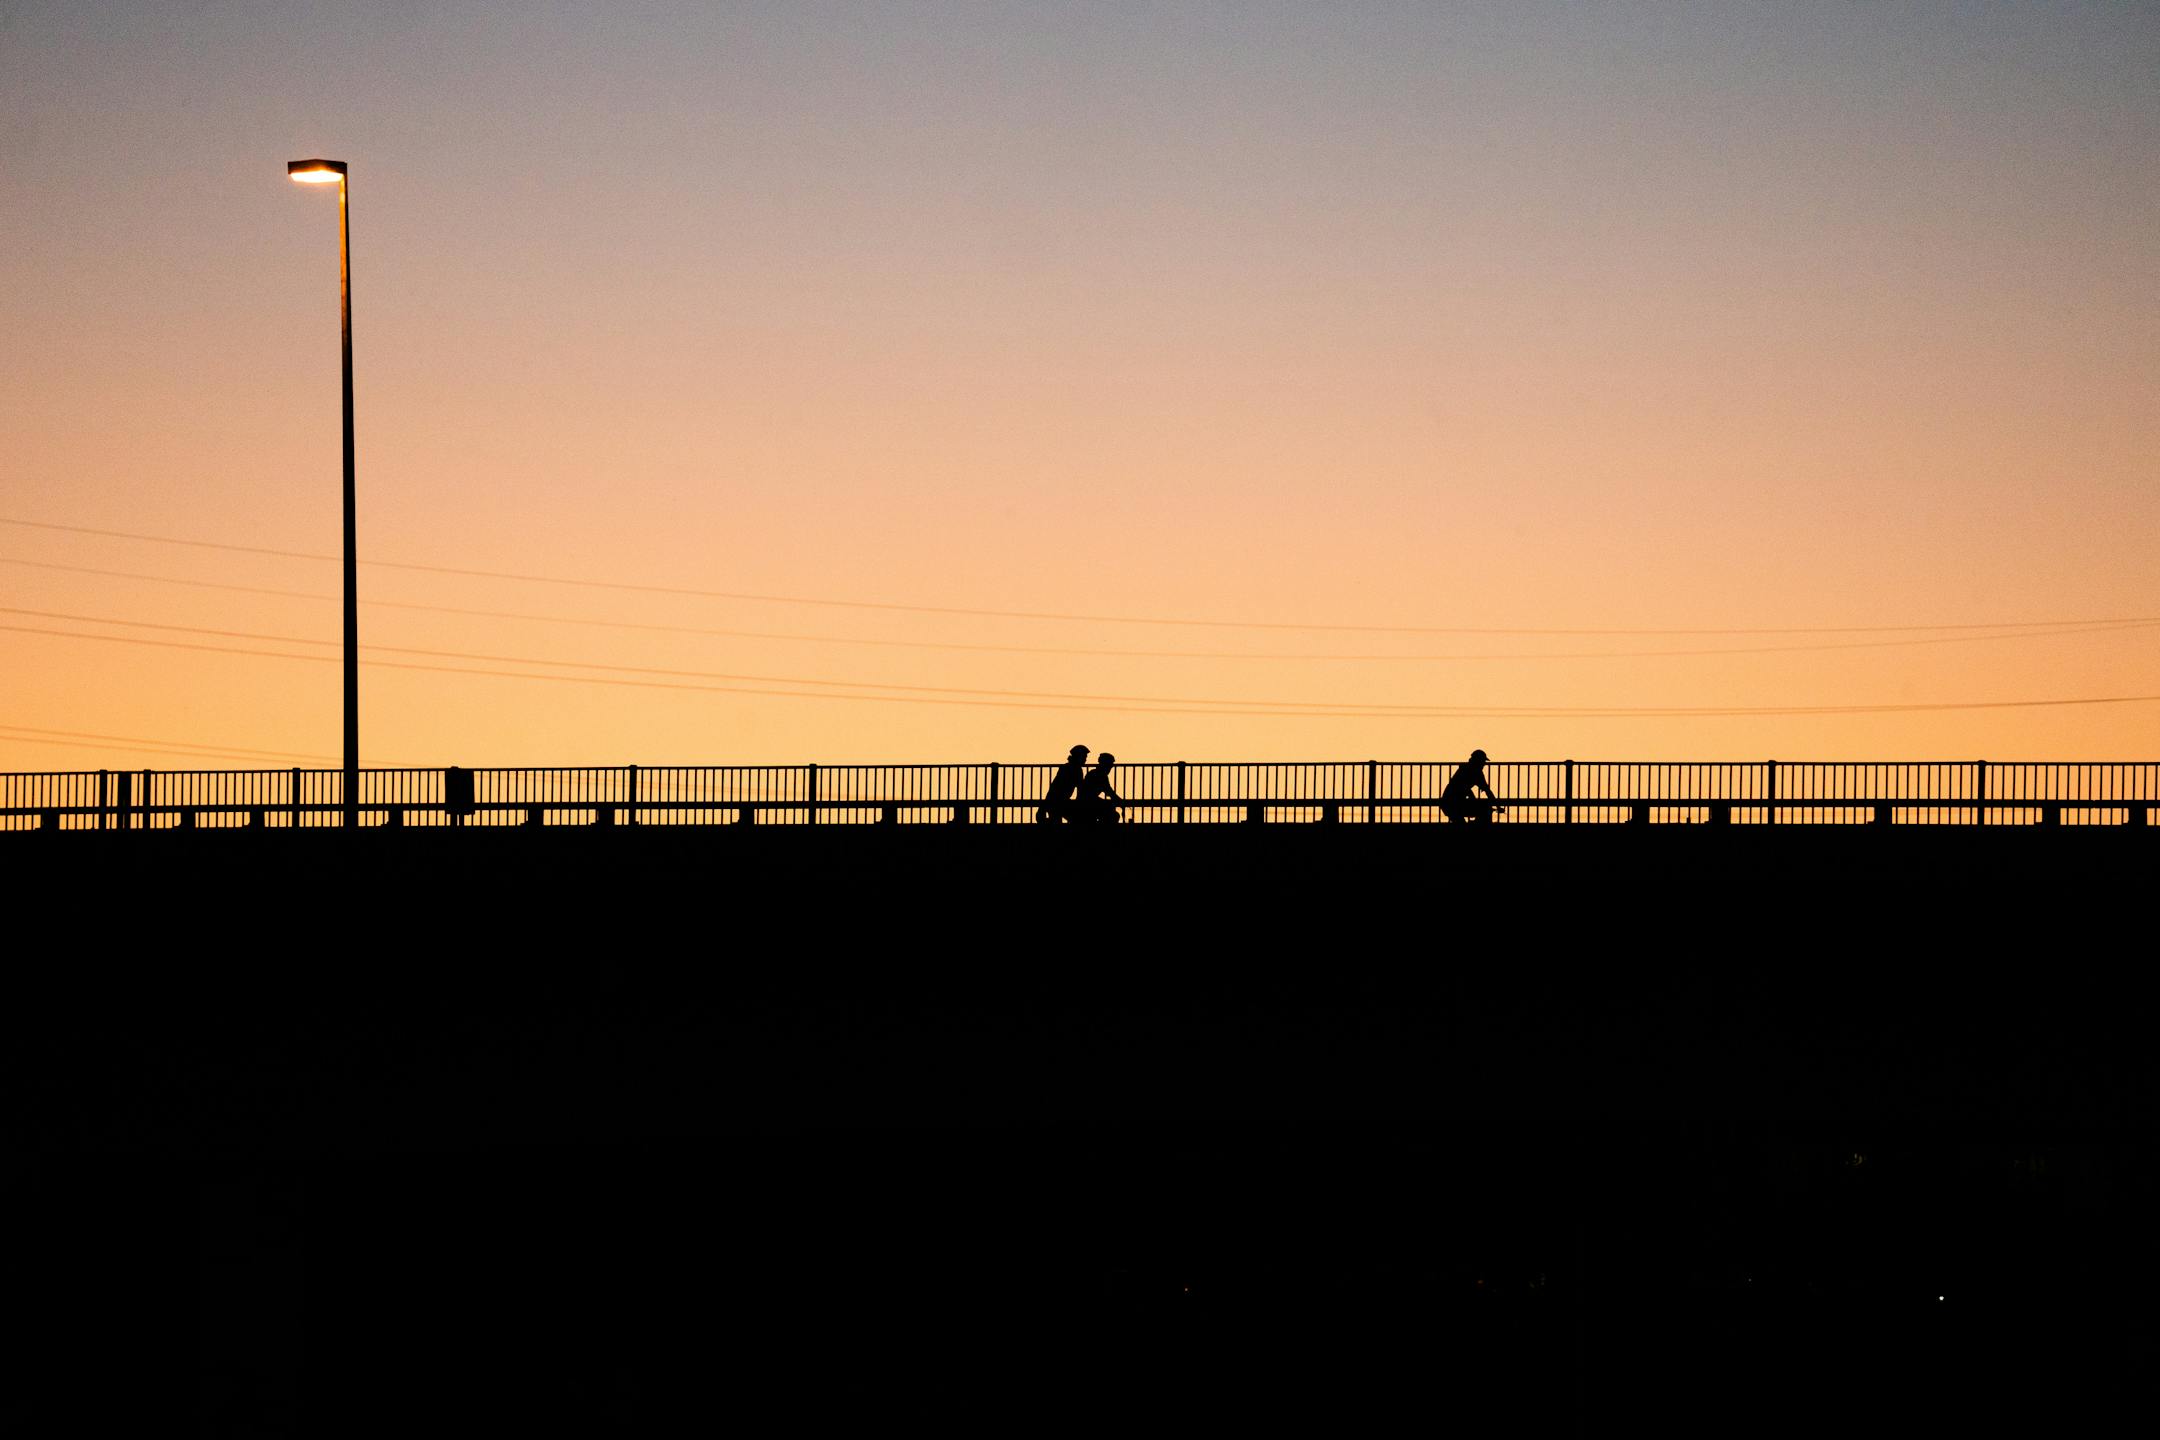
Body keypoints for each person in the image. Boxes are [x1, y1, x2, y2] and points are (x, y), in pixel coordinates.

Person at [1441, 748, 1505, 824]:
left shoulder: (1466, 769)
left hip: (1449, 803)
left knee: (1483, 809)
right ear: (1478, 761)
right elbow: (1484, 791)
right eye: (1483, 761)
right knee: (1485, 810)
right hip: (1453, 805)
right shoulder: (1475, 772)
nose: (1484, 764)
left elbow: (1469, 789)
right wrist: (1497, 806)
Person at [1037, 745, 1089, 823]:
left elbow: (1053, 787)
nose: (1085, 759)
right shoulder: (1075, 770)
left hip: (1056, 801)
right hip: (1059, 802)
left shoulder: (1066, 767)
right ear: (1079, 757)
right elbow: (1080, 788)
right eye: (1084, 757)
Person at [1074, 752, 1123, 824]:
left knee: (1109, 811)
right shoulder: (1100, 775)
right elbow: (1109, 791)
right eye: (1110, 766)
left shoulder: (1094, 773)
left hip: (1085, 802)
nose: (1110, 768)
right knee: (1113, 815)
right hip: (1087, 804)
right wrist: (1120, 801)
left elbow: (1108, 791)